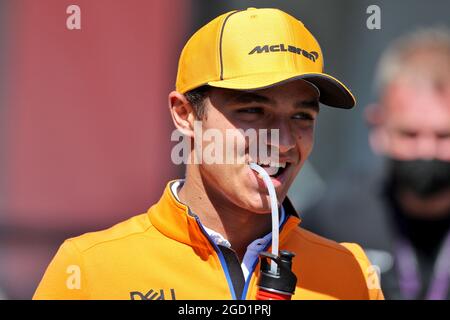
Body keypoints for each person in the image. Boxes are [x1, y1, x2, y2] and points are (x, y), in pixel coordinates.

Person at [33, 7, 383, 300]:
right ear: (185, 115)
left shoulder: (351, 274)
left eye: (301, 116)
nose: (283, 141)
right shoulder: (91, 269)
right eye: (252, 110)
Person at [302, 27, 450, 300]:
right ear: (378, 127)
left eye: (444, 135)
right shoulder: (334, 217)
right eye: (410, 134)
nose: (427, 149)